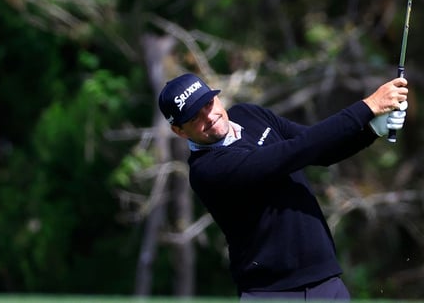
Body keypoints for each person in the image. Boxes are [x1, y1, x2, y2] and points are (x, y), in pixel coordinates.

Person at [158, 72, 409, 301]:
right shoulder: (207, 170)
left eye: (208, 104)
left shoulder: (248, 114)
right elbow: (294, 152)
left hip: (326, 282)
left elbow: (320, 151)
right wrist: (369, 106)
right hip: (272, 293)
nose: (209, 117)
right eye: (195, 117)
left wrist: (372, 129)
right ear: (179, 131)